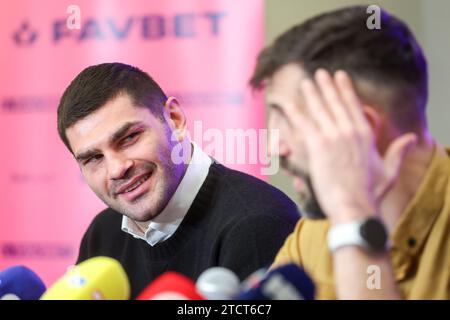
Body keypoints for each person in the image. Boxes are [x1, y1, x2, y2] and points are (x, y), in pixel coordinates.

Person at [250, 6, 450, 299]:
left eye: (288, 119)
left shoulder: (341, 219)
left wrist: (354, 219)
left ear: (362, 126)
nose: (274, 147)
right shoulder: (313, 235)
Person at [57, 62, 299, 298]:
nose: (117, 169)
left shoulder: (257, 223)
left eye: (129, 138)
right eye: (94, 158)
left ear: (174, 119)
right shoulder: (103, 233)